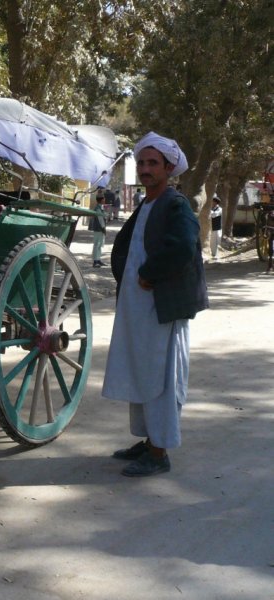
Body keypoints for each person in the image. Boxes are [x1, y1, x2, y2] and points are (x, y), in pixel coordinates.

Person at [102, 132, 208, 477]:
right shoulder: (147, 203)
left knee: (161, 378)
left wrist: (150, 274)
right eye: (142, 163)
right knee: (141, 373)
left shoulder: (175, 204)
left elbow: (183, 246)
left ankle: (160, 451)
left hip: (161, 308)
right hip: (139, 309)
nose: (146, 169)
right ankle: (149, 441)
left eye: (152, 163)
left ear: (168, 167)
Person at [88, 193, 107, 268]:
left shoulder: (100, 207)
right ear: (102, 199)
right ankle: (95, 261)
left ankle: (98, 259)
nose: (105, 200)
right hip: (99, 229)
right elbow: (100, 220)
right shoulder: (98, 208)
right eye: (104, 198)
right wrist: (103, 228)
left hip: (99, 229)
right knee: (97, 244)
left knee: (99, 244)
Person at [208, 196, 223, 261]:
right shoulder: (212, 209)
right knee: (212, 242)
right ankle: (213, 255)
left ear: (216, 202)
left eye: (213, 201)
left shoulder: (219, 209)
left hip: (217, 228)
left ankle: (216, 255)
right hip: (212, 228)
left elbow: (214, 215)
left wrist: (209, 211)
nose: (212, 203)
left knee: (217, 241)